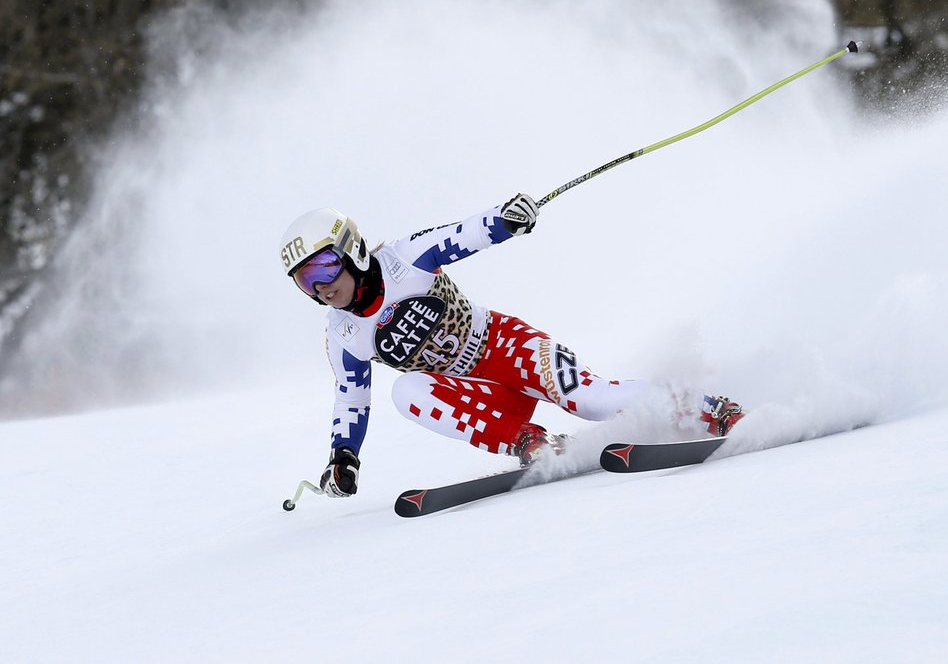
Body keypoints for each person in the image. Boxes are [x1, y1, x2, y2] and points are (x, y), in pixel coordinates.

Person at [279, 193, 744, 498]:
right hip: (479, 395)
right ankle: (532, 443)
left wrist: (504, 220)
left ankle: (714, 410)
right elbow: (352, 399)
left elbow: (456, 236)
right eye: (304, 280)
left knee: (593, 400)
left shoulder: (402, 259)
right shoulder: (342, 334)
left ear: (352, 250)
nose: (320, 286)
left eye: (323, 267)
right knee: (406, 393)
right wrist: (344, 455)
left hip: (505, 347)